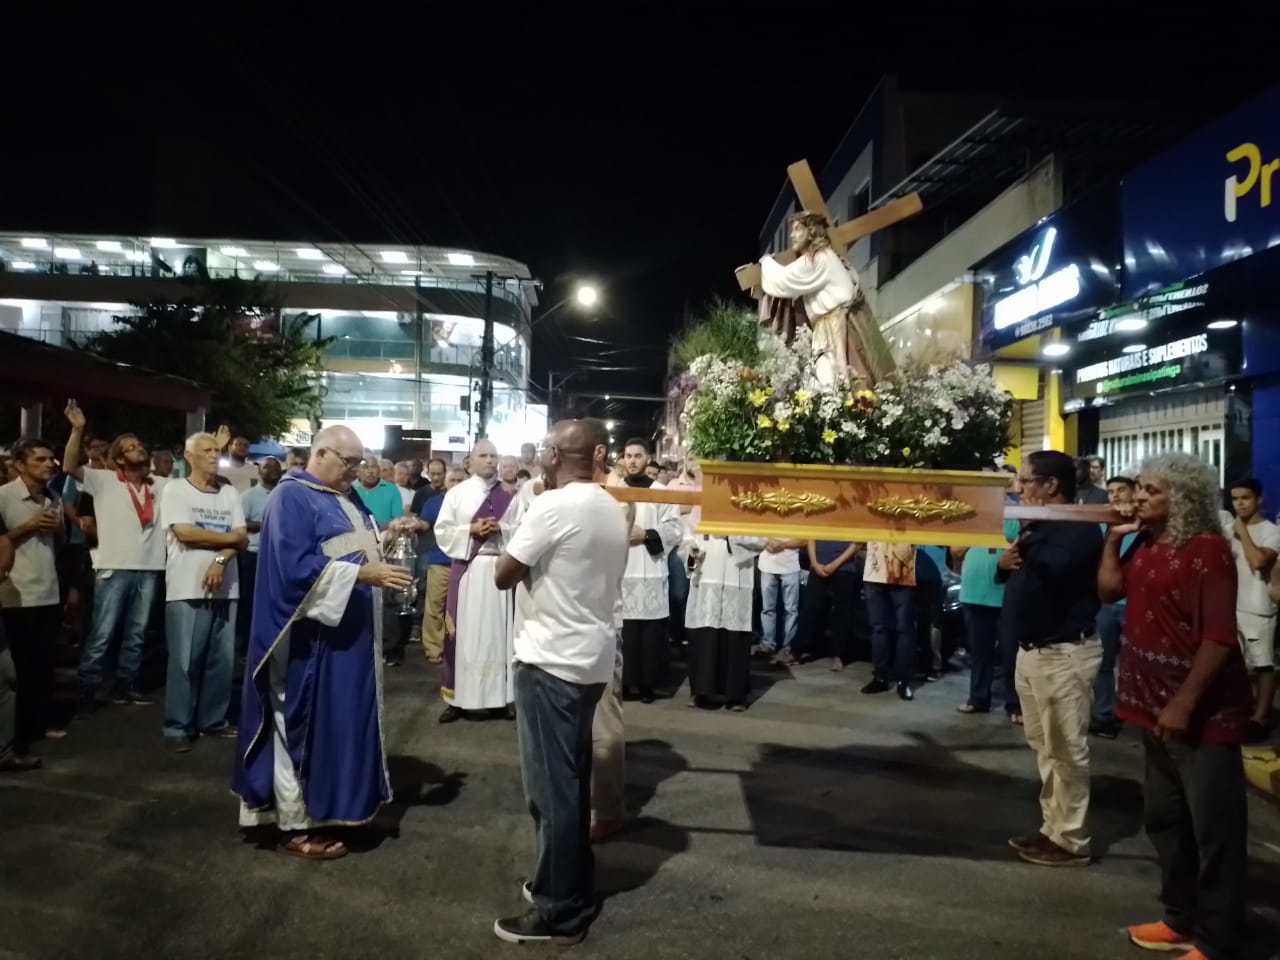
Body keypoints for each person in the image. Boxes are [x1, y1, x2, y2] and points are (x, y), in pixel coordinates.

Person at [233, 426, 412, 860]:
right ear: (321, 454)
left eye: (359, 463)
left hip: (350, 638)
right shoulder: (292, 497)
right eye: (350, 463)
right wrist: (363, 575)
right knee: (300, 726)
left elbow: (353, 547)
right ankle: (295, 826)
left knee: (342, 726)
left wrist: (387, 537)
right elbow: (292, 569)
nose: (356, 471)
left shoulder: (345, 497)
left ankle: (339, 807)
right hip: (311, 643)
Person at [1100, 454, 1250, 960]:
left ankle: (1217, 940)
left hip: (1200, 715)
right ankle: (1179, 917)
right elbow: (1109, 590)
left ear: (1182, 498)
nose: (1138, 497)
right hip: (1150, 708)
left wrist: (1184, 702)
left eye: (1151, 491)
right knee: (1165, 820)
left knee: (1214, 830)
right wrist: (1113, 540)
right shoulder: (1147, 541)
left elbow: (1219, 637)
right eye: (1139, 488)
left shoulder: (1206, 550)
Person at [492, 420, 629, 944]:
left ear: (553, 455)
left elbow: (504, 573)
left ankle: (560, 911)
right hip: (589, 659)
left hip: (549, 660)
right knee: (571, 782)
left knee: (552, 793)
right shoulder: (610, 506)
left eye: (544, 450)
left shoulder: (552, 506)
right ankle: (570, 882)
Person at [999, 450, 1105, 867]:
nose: (1019, 489)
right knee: (1045, 748)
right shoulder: (1040, 526)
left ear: (1051, 485)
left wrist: (1026, 539)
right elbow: (1019, 572)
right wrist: (1005, 562)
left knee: (1066, 750)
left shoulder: (1076, 528)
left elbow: (1051, 572)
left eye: (1026, 481)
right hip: (1033, 651)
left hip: (1063, 652)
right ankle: (1053, 828)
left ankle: (1072, 840)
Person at [160, 431, 248, 750]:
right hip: (186, 587)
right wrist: (227, 540)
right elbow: (184, 533)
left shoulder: (229, 492)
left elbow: (241, 538)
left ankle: (213, 720)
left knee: (221, 661)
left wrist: (220, 559)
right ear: (189, 457)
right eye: (206, 450)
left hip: (227, 587)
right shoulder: (175, 490)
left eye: (215, 450)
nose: (214, 455)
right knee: (185, 661)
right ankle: (177, 726)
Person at [758, 209, 892, 384]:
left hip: (835, 330)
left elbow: (781, 279)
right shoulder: (824, 256)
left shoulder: (818, 259)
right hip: (830, 327)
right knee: (828, 383)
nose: (792, 235)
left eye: (798, 229)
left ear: (811, 231)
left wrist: (766, 261)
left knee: (832, 381)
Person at [434, 439, 516, 721]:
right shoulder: (457, 493)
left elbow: (523, 529)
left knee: (500, 634)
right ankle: (457, 699)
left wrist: (501, 528)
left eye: (493, 455)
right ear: (471, 460)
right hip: (468, 570)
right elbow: (443, 530)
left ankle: (501, 698)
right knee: (464, 633)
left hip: (499, 569)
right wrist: (471, 529)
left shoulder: (511, 494)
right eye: (483, 455)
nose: (489, 460)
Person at [618, 438, 681, 703]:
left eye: (638, 456)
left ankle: (647, 685)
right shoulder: (614, 490)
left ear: (648, 459)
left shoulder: (661, 491)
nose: (632, 461)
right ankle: (623, 683)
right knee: (625, 630)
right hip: (622, 569)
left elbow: (675, 528)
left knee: (651, 631)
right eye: (628, 456)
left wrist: (646, 534)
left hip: (651, 568)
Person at [1223, 477, 1280, 743]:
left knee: (1263, 664)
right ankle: (1240, 709)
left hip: (1258, 609)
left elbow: (1258, 561)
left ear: (1259, 499)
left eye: (1245, 498)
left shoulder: (1271, 531)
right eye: (1235, 499)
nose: (1240, 504)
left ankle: (1260, 718)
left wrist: (1242, 532)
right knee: (1234, 664)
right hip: (1231, 605)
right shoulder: (1227, 529)